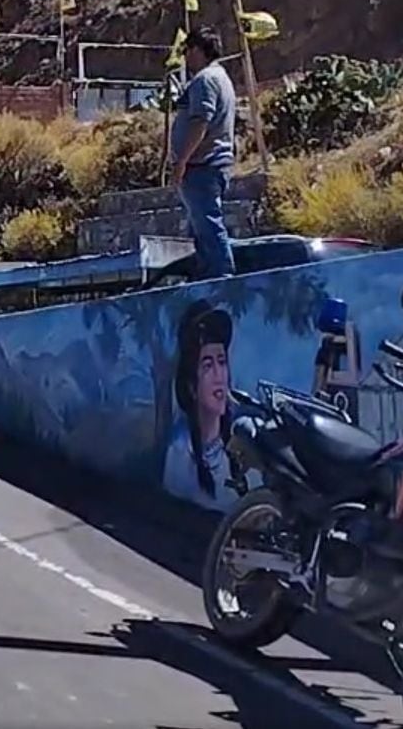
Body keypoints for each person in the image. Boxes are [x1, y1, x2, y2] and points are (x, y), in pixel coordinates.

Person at [170, 26, 238, 281]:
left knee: (208, 225)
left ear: (198, 49)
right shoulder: (221, 77)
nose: (185, 57)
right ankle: (204, 278)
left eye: (187, 50)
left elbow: (200, 123)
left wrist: (181, 162)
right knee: (199, 228)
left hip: (202, 165)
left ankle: (222, 278)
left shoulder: (205, 80)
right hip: (212, 164)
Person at [163, 302, 241, 511]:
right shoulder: (179, 453)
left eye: (222, 362)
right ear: (191, 386)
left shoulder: (243, 444)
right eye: (207, 365)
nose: (218, 375)